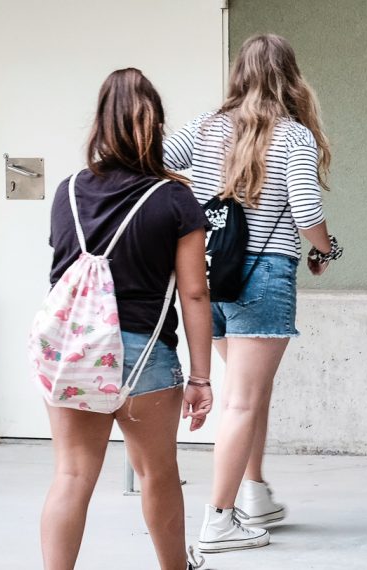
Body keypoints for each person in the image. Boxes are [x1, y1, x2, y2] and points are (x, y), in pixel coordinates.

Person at [164, 34, 342, 553]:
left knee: (250, 392)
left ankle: (254, 492)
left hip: (210, 272)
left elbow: (155, 161)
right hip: (263, 276)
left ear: (239, 73)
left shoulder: (203, 127)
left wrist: (191, 210)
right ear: (290, 77)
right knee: (242, 400)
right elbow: (307, 213)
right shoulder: (292, 136)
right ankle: (219, 520)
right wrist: (327, 250)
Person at [41, 68, 214, 570]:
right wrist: (200, 377)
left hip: (75, 353)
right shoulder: (174, 198)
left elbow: (61, 273)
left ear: (99, 123)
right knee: (158, 474)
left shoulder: (68, 191)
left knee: (72, 476)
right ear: (156, 124)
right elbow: (195, 292)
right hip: (144, 360)